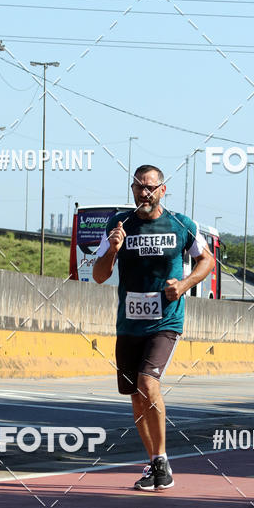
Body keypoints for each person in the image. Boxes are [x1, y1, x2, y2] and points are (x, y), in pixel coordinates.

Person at [93, 164, 215, 490]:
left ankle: (161, 459)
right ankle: (155, 465)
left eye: (149, 187)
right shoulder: (119, 224)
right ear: (132, 190)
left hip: (165, 320)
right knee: (135, 395)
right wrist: (114, 249)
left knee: (148, 382)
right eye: (138, 187)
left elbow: (207, 260)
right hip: (129, 323)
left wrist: (186, 283)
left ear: (163, 190)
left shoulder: (180, 224)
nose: (143, 193)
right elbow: (99, 274)